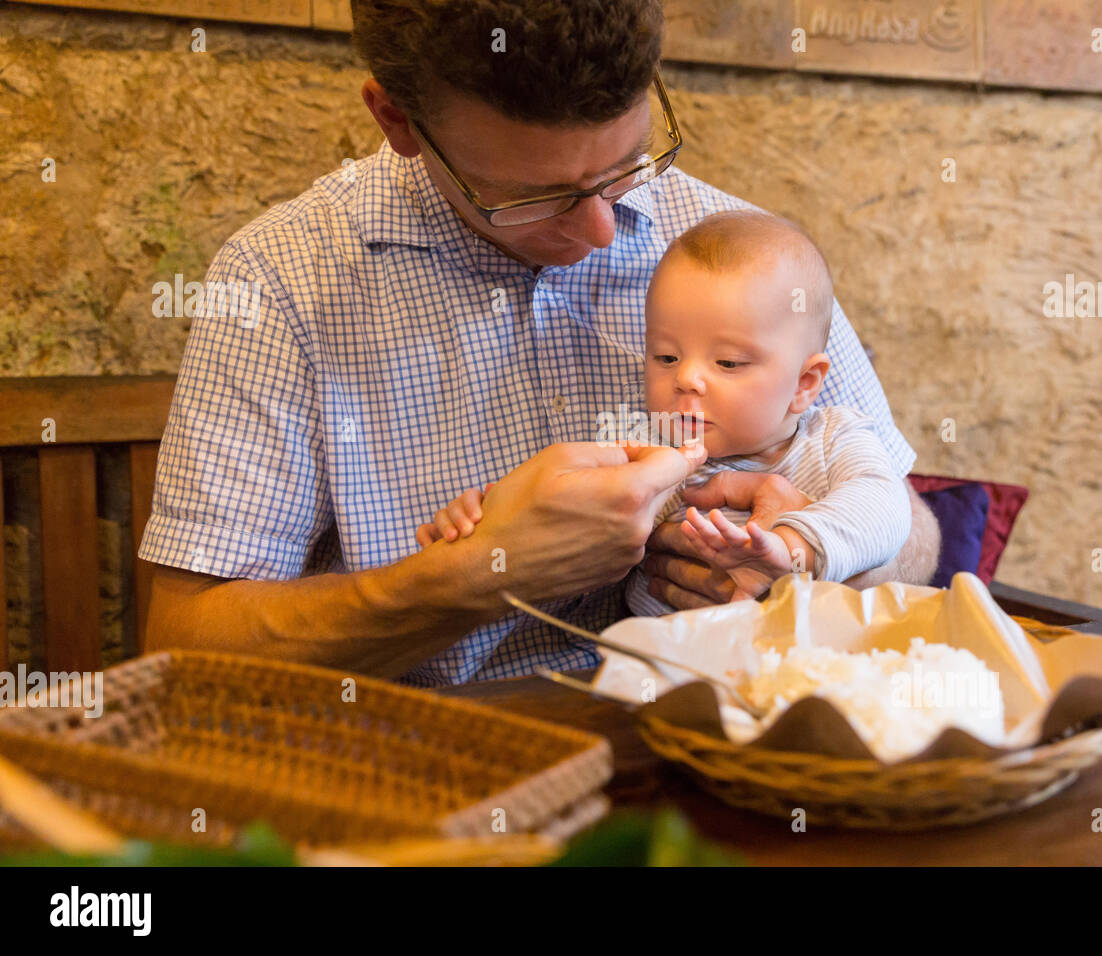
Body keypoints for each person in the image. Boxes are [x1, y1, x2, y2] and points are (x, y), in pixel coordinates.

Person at [140, 0, 940, 684]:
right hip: (431, 779)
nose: (602, 227)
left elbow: (919, 537)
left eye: (628, 164)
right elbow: (184, 646)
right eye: (534, 197)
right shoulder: (282, 280)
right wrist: (468, 577)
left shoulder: (741, 256)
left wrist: (806, 555)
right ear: (397, 121)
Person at [421, 209, 914, 614]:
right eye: (666, 357)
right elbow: (558, 512)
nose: (686, 379)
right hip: (660, 680)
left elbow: (885, 510)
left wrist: (793, 548)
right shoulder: (648, 451)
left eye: (727, 362)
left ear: (804, 384)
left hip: (800, 678)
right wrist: (481, 518)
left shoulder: (833, 440)